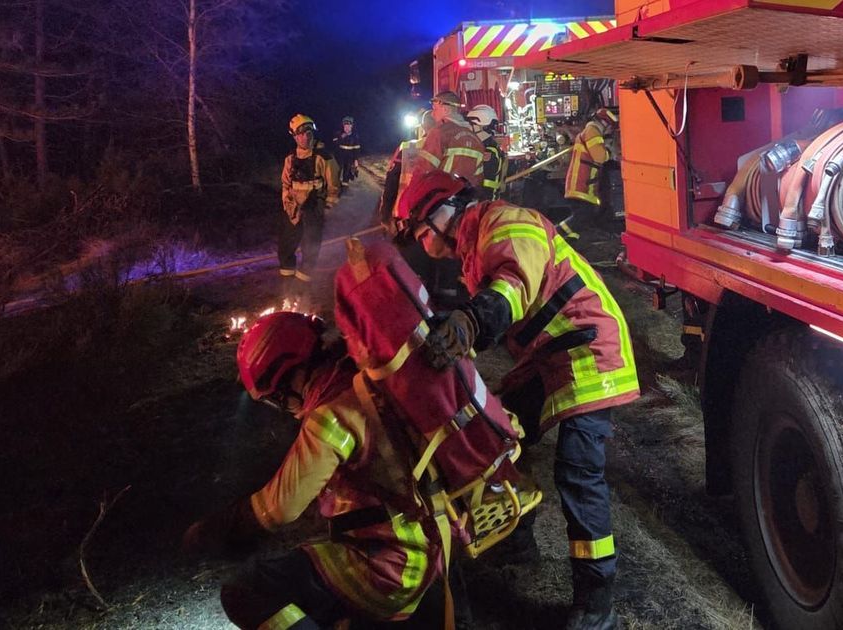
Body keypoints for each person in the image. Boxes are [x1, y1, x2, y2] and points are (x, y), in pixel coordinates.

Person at [397, 171, 641, 630]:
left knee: (578, 471)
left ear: (442, 212)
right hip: (550, 354)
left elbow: (513, 285)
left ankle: (596, 602)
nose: (421, 242)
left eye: (420, 231)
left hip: (587, 348)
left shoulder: (504, 223)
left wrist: (470, 323)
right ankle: (518, 539)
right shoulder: (475, 244)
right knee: (499, 431)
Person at [183, 312, 445, 629]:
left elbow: (278, 509)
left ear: (288, 375)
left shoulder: (332, 413)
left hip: (389, 567)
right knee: (311, 568)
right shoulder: (368, 382)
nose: (284, 406)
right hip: (434, 548)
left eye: (278, 396)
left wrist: (213, 531)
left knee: (246, 589)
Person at [280, 114, 339, 284]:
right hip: (294, 211)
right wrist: (287, 205)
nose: (306, 136)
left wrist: (327, 209)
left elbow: (333, 187)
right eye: (301, 133)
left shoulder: (324, 157)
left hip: (314, 209)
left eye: (309, 132)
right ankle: (287, 287)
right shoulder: (290, 159)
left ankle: (302, 288)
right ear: (294, 135)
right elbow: (285, 184)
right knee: (285, 248)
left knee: (310, 249)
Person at [411, 91, 486, 188]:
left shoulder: (440, 132)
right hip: (466, 199)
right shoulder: (475, 139)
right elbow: (478, 179)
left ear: (446, 110)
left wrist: (412, 192)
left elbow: (424, 169)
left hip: (441, 197)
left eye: (435, 109)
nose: (433, 114)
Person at [377, 108, 436, 231]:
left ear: (423, 127)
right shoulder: (446, 149)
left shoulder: (406, 147)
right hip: (435, 215)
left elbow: (391, 182)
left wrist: (385, 214)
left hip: (406, 211)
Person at [564, 107, 618, 222]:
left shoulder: (590, 130)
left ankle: (570, 238)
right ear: (604, 124)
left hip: (582, 184)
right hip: (581, 184)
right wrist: (609, 149)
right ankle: (556, 233)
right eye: (610, 128)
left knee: (584, 217)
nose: (609, 131)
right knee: (582, 217)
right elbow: (600, 157)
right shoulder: (592, 131)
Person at [467, 104, 507, 200]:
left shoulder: (488, 151)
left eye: (472, 125)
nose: (469, 128)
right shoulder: (489, 146)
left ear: (482, 127)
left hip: (484, 204)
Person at [332, 116, 361, 185]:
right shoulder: (338, 133)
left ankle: (345, 182)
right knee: (338, 168)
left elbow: (357, 149)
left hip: (350, 156)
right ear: (343, 126)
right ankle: (335, 181)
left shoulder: (355, 136)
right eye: (346, 125)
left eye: (349, 125)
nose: (347, 127)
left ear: (352, 126)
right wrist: (341, 137)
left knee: (347, 168)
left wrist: (356, 160)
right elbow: (333, 144)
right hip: (340, 155)